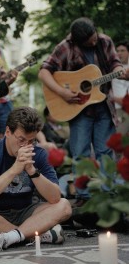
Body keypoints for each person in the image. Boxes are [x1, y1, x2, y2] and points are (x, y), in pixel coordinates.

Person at [38, 17, 129, 203]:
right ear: (78, 40)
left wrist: (120, 69)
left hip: (104, 107)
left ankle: (108, 195)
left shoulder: (104, 41)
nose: (94, 41)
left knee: (106, 151)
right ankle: (83, 197)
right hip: (79, 111)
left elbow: (114, 63)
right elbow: (44, 71)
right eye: (89, 40)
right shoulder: (65, 47)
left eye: (94, 35)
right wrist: (62, 92)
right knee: (80, 153)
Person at [0, 106, 72, 252]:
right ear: (7, 132)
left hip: (25, 213)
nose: (26, 145)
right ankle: (32, 234)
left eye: (31, 141)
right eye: (21, 140)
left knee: (64, 205)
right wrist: (13, 170)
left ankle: (7, 238)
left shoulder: (39, 153)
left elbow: (55, 198)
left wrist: (32, 171)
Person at [112, 41, 129, 134]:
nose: (119, 53)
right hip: (118, 108)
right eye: (117, 51)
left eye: (122, 50)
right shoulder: (113, 67)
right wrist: (113, 98)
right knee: (121, 137)